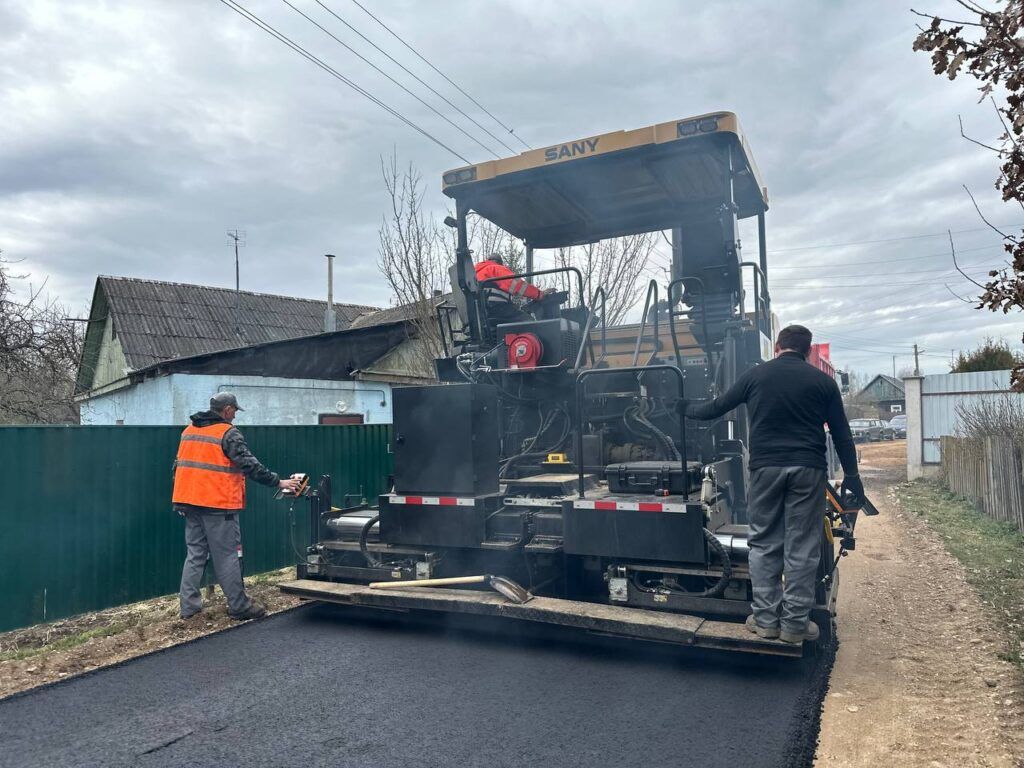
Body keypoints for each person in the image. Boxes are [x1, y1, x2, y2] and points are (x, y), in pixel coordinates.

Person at [686, 325, 862, 644]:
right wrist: (852, 476)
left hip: (766, 469)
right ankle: (795, 626)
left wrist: (685, 409)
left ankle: (766, 621)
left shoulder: (757, 376)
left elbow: (715, 408)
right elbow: (841, 434)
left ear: (777, 346)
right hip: (808, 470)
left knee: (765, 543)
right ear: (808, 352)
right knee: (802, 546)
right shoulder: (823, 382)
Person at [172, 392, 300, 621]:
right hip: (218, 504)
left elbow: (180, 467)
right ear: (228, 410)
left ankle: (189, 609)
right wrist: (278, 482)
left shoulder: (188, 431)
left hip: (189, 502)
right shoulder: (228, 433)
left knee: (195, 555)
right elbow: (249, 464)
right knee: (227, 555)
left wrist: (179, 500)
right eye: (234, 411)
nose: (235, 416)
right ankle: (239, 606)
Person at [473, 253, 550, 326]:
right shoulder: (495, 268)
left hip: (479, 313)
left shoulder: (475, 273)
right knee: (529, 322)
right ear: (499, 262)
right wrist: (539, 294)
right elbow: (517, 286)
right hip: (496, 308)